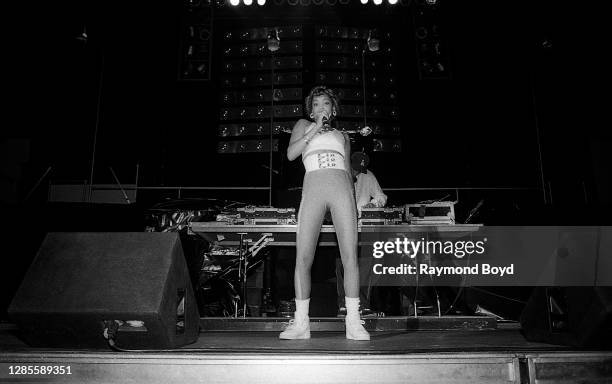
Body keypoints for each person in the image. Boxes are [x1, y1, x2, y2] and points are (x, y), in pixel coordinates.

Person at [280, 85, 370, 341]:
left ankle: (353, 321)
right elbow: (290, 155)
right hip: (314, 188)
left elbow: (348, 172)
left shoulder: (344, 136)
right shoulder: (302, 125)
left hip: (341, 188)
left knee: (350, 256)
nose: (322, 108)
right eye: (317, 104)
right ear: (311, 110)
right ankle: (301, 323)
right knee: (304, 256)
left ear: (334, 109)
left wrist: (353, 204)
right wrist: (316, 128)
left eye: (326, 104)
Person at [336, 151, 387, 317]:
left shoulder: (368, 175)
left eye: (361, 169)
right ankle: (344, 305)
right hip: (342, 223)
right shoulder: (339, 173)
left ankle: (363, 305)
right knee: (343, 263)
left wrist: (374, 204)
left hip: (362, 226)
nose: (358, 172)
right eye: (356, 168)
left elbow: (380, 195)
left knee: (365, 265)